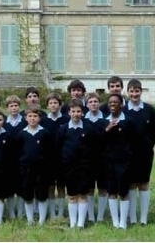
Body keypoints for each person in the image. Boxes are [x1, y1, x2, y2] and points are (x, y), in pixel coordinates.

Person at [123, 78, 155, 226]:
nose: (134, 94)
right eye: (131, 91)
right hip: (128, 155)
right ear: (128, 92)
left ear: (141, 91)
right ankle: (132, 218)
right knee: (131, 184)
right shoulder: (123, 110)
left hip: (145, 154)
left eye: (137, 91)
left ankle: (143, 218)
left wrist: (148, 144)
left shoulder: (150, 110)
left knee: (144, 184)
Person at [57, 98, 94, 228]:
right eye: (73, 111)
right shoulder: (63, 129)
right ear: (69, 113)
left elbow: (93, 147)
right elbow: (59, 147)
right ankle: (73, 223)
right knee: (72, 195)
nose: (76, 114)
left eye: (78, 111)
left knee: (83, 195)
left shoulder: (88, 128)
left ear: (82, 113)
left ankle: (81, 223)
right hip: (69, 167)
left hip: (84, 167)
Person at [15, 105, 53, 225]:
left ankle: (41, 220)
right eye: (30, 116)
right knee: (28, 195)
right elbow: (18, 152)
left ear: (39, 118)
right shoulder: (21, 134)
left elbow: (49, 152)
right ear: (25, 118)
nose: (32, 118)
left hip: (42, 170)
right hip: (26, 169)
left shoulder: (45, 133)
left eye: (35, 116)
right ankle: (30, 219)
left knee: (42, 194)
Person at [103, 93, 134, 229]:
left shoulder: (128, 121)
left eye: (116, 102)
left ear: (121, 104)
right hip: (109, 162)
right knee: (111, 191)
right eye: (110, 102)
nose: (113, 104)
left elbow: (135, 141)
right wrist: (107, 130)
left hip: (124, 162)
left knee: (124, 192)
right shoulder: (104, 121)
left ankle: (123, 222)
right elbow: (99, 141)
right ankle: (115, 222)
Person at [40, 92, 68, 219]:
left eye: (55, 103)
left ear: (60, 105)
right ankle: (52, 213)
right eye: (50, 103)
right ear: (47, 106)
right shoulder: (44, 121)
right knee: (50, 186)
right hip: (48, 159)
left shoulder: (67, 119)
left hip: (63, 158)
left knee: (61, 186)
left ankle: (61, 213)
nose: (53, 105)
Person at [84, 92, 108, 223]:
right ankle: (91, 215)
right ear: (87, 105)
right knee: (89, 188)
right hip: (88, 159)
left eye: (95, 101)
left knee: (103, 188)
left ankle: (100, 216)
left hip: (103, 158)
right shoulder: (83, 120)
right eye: (90, 102)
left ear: (99, 103)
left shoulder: (105, 120)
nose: (93, 104)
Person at [3, 94, 25, 220]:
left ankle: (21, 212)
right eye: (11, 106)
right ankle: (11, 212)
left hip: (22, 159)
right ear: (7, 108)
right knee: (10, 188)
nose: (14, 108)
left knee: (21, 188)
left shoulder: (24, 121)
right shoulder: (3, 123)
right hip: (8, 161)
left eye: (16, 105)